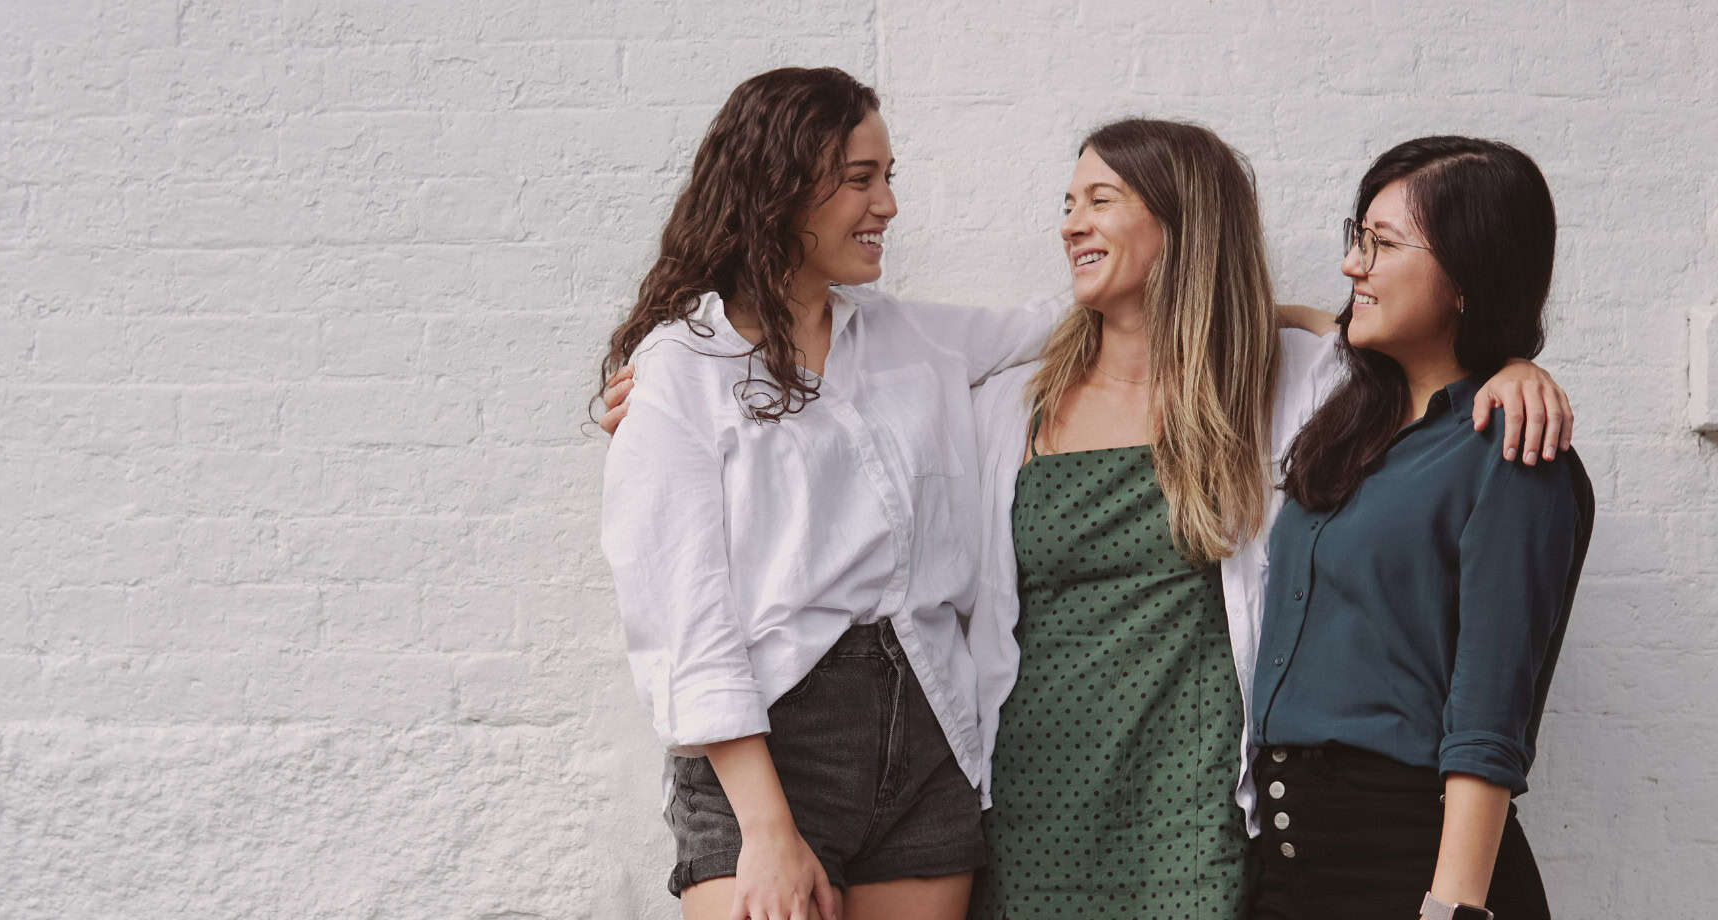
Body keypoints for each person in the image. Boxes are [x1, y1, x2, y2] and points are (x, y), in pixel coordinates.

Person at [959, 120, 1576, 919]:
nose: (1071, 221)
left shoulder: (1287, 386)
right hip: (1043, 792)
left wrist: (1515, 369)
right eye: (1068, 202)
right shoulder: (1008, 405)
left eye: (1100, 199)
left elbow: (1415, 361)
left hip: (1203, 815)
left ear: (1184, 222)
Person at [598, 66, 1064, 920]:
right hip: (770, 745)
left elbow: (1069, 320)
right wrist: (767, 830)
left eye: (888, 178)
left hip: (927, 726)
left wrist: (1276, 318)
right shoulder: (682, 369)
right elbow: (683, 615)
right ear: (780, 186)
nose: (886, 204)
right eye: (861, 179)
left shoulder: (909, 337)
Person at [1247, 136, 1592, 920]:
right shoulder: (1354, 418)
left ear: (1469, 276)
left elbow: (1489, 715)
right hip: (1288, 861)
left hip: (1413, 867)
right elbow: (1297, 322)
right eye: (1356, 237)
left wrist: (1453, 908)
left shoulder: (1507, 446)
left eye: (1383, 244)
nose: (1352, 266)